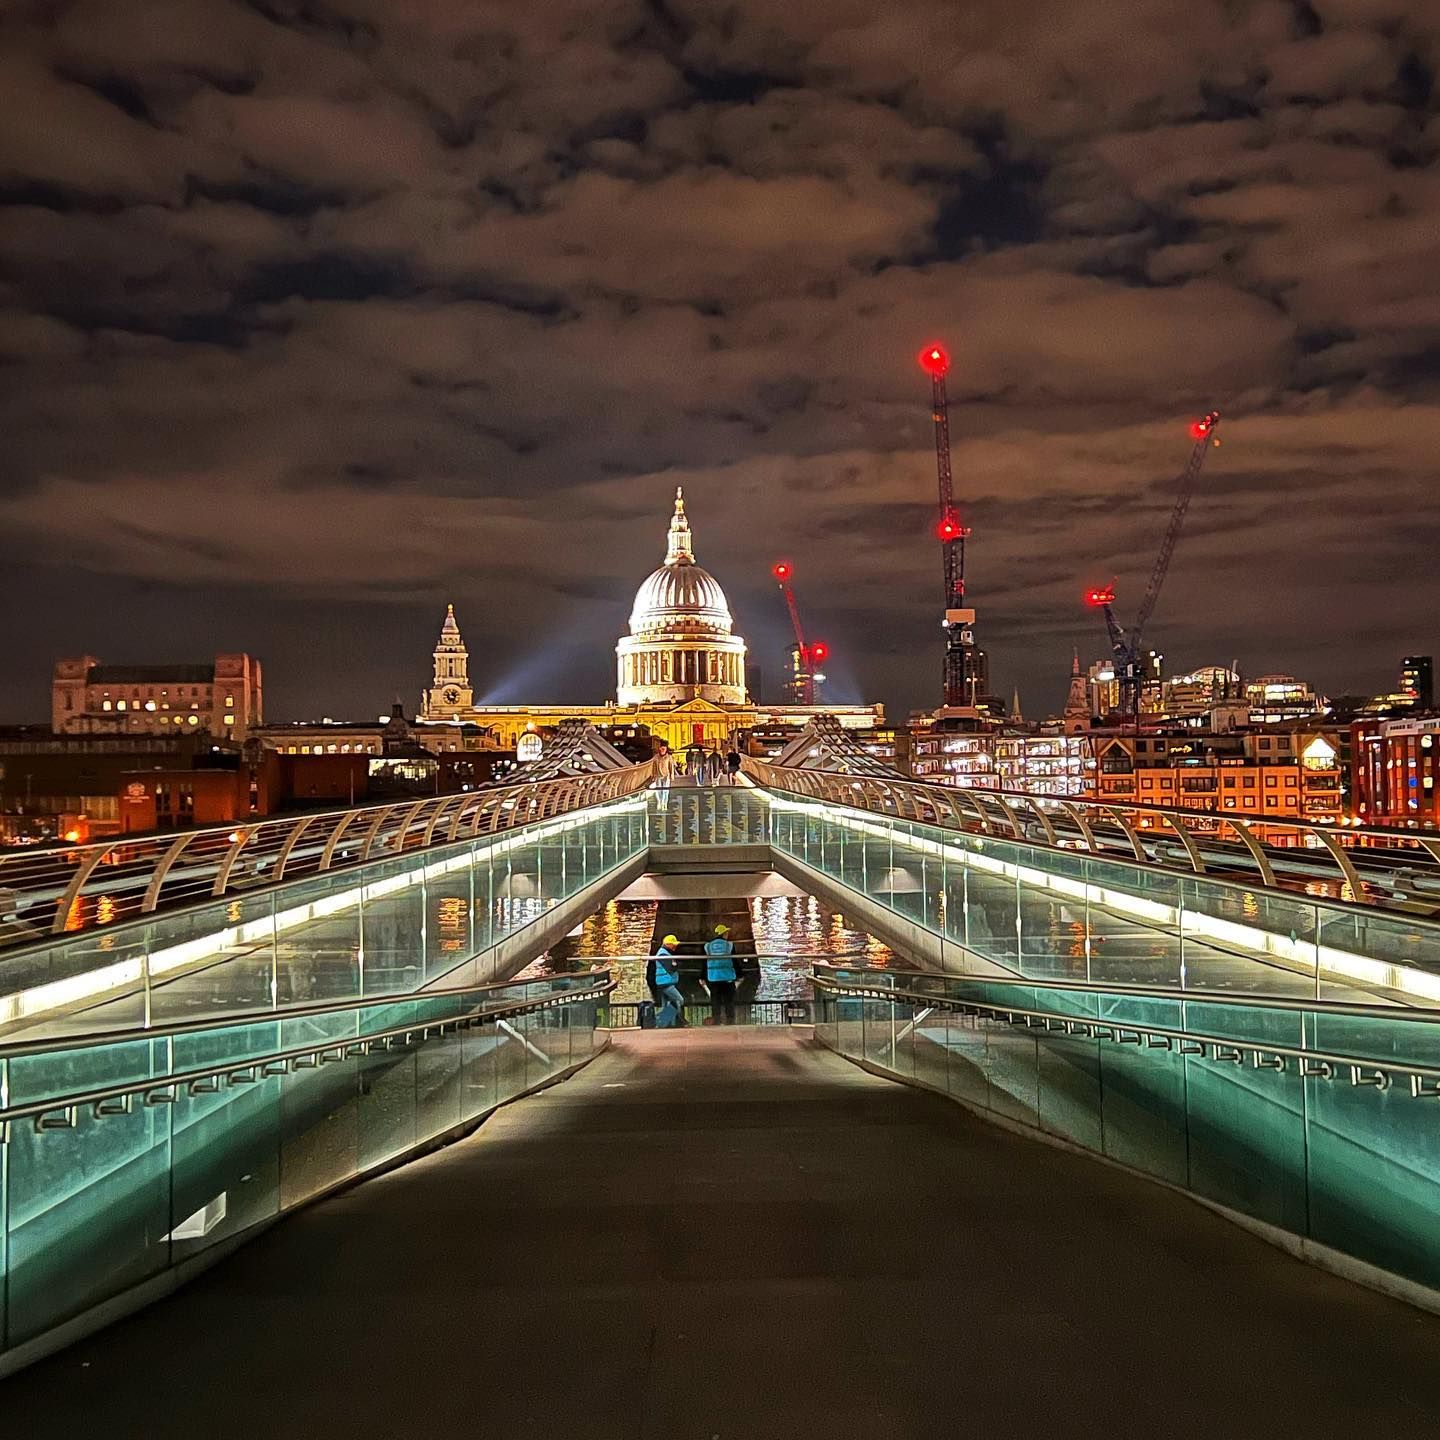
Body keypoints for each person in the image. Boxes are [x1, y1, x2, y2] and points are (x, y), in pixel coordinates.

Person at [645, 933, 687, 1027]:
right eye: (674, 944)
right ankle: (680, 1022)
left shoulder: (664, 952)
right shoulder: (663, 954)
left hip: (662, 982)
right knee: (680, 1000)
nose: (675, 946)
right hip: (666, 983)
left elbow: (673, 965)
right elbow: (671, 968)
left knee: (666, 1005)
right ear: (668, 944)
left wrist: (675, 964)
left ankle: (666, 1024)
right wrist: (676, 964)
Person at [703, 923, 738, 1024]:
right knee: (729, 1001)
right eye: (727, 932)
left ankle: (716, 1021)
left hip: (713, 977)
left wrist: (702, 976)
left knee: (715, 1001)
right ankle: (730, 1021)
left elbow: (704, 962)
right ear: (724, 934)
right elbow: (735, 961)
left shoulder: (708, 946)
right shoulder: (729, 945)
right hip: (727, 977)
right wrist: (740, 974)